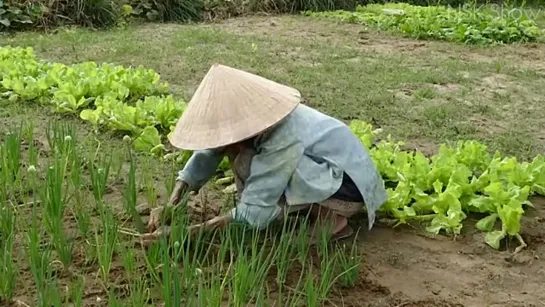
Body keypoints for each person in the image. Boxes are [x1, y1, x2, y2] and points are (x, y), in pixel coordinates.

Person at [139, 64, 387, 246]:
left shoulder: (283, 135)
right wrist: (172, 204)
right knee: (243, 157)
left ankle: (332, 222)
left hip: (350, 186)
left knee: (247, 163)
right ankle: (308, 210)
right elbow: (207, 154)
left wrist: (189, 232)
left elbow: (254, 210)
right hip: (330, 171)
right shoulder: (250, 123)